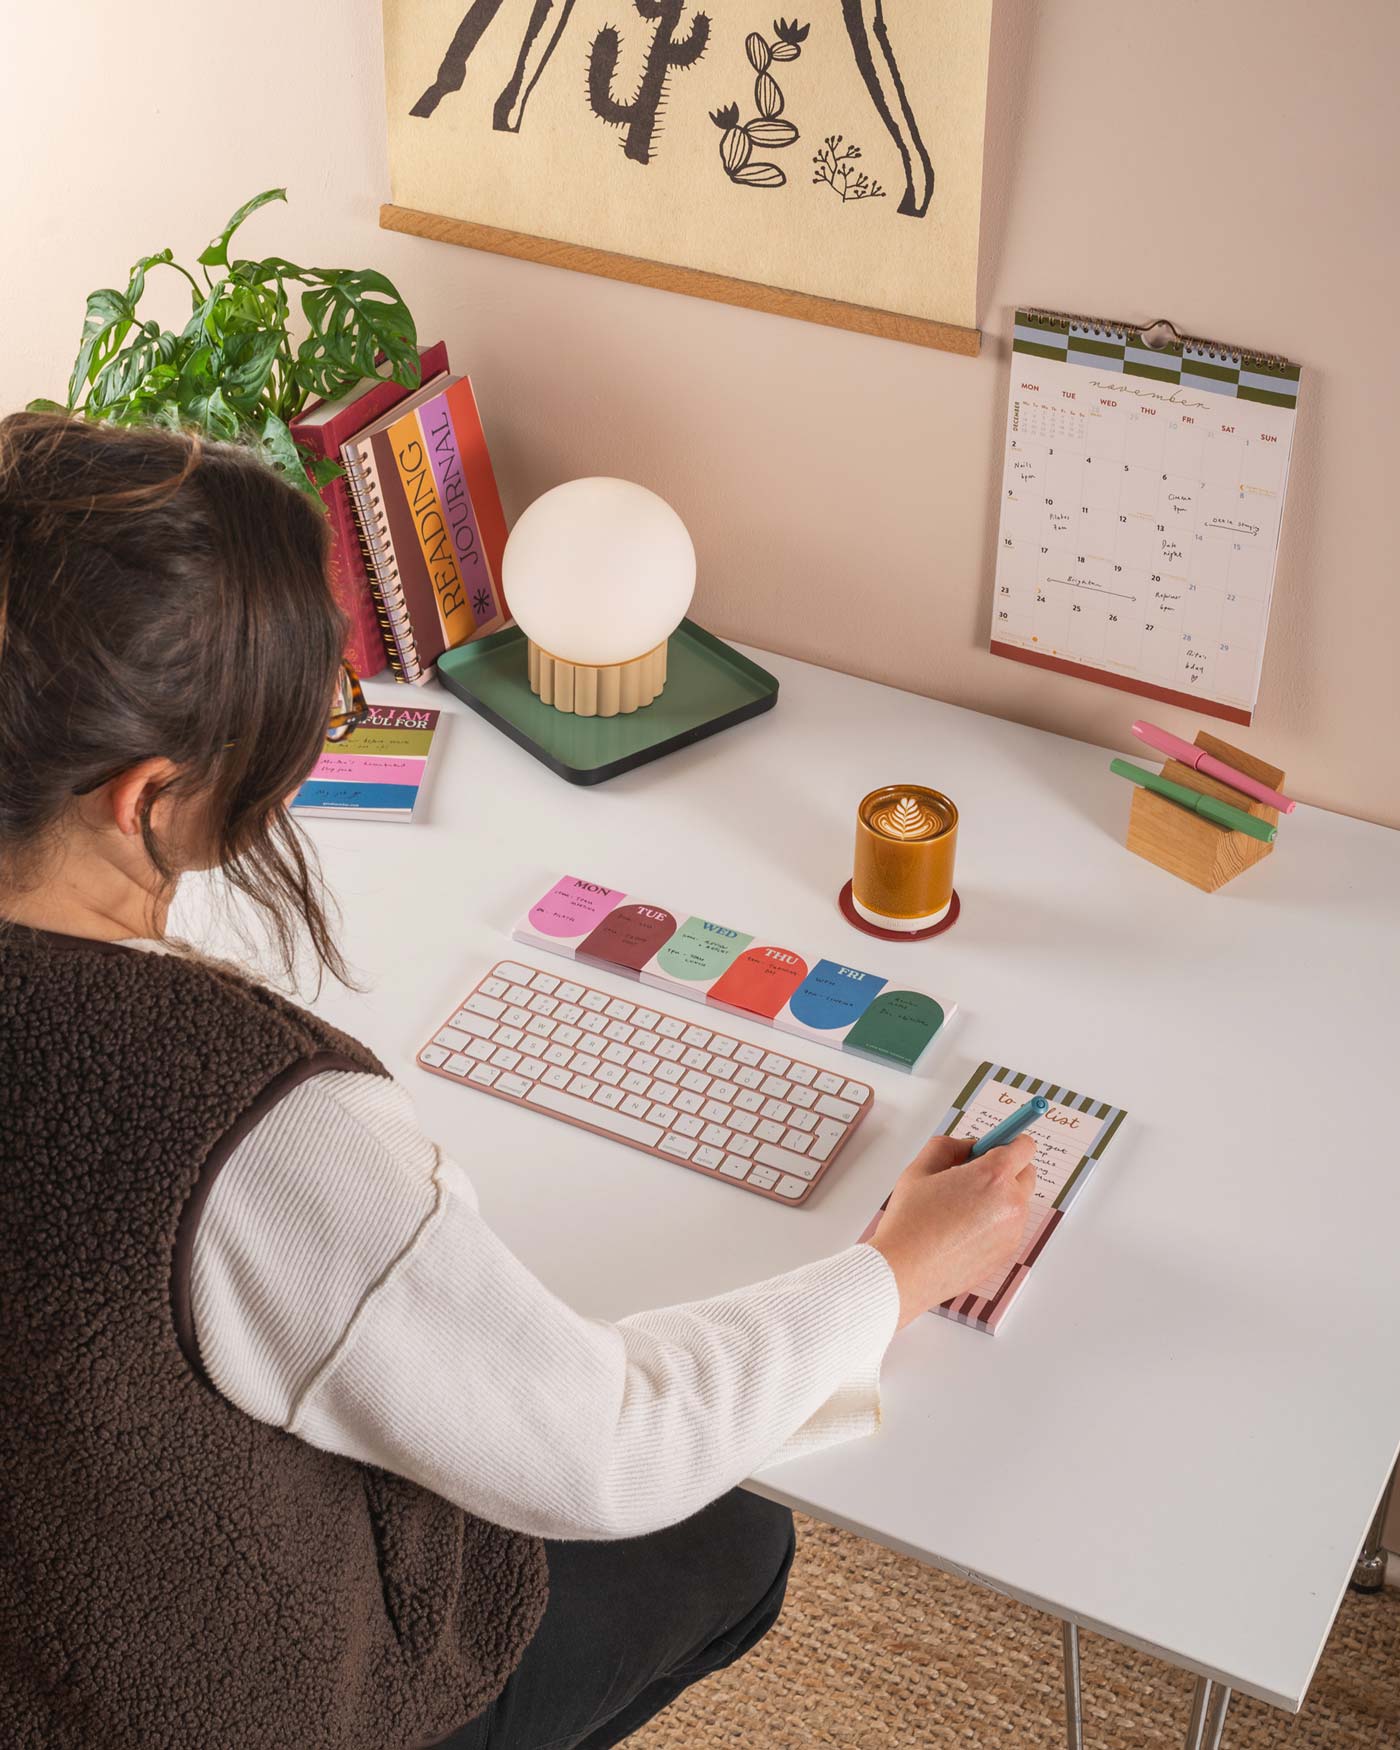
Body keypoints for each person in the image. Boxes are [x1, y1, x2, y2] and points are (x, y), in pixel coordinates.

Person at [0, 412, 1036, 1750]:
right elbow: (608, 1446)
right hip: (225, 1703)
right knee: (740, 1520)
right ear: (148, 797)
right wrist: (897, 1268)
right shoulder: (246, 1130)